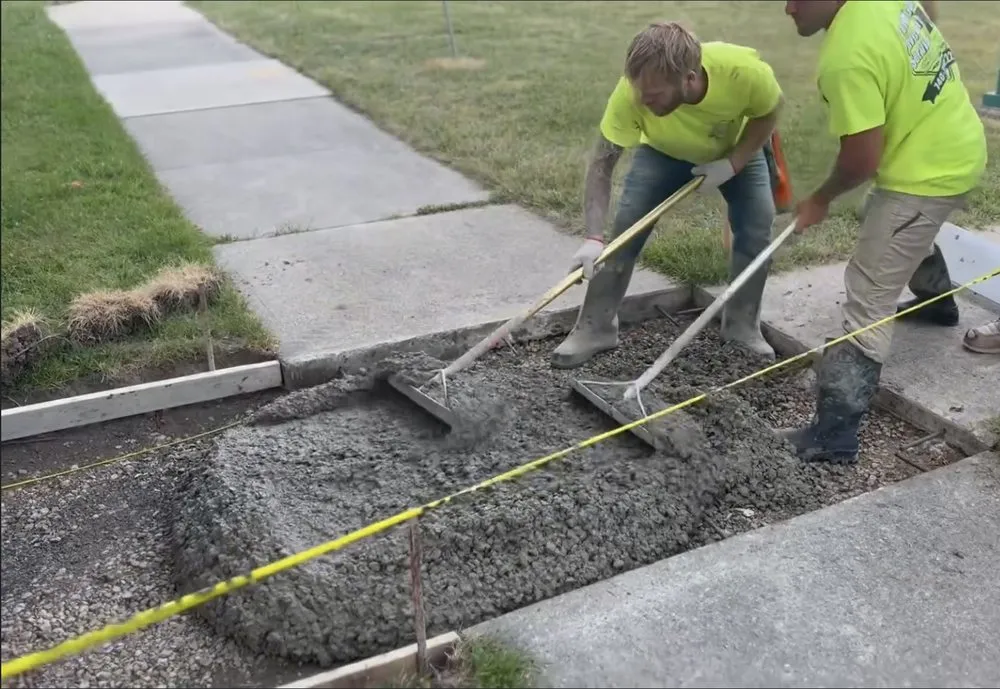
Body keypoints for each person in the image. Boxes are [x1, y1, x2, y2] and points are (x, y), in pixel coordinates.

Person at [781, 0, 988, 464]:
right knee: (897, 228)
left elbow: (861, 161)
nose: (788, 7)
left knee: (868, 293)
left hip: (929, 171)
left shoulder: (846, 56)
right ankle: (938, 306)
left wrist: (819, 199)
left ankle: (833, 437)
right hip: (956, 140)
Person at [551, 21, 784, 369]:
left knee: (757, 226)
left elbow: (770, 110)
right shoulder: (632, 93)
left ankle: (742, 328)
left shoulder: (743, 72)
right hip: (662, 153)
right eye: (640, 93)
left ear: (689, 79)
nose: (643, 102)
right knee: (626, 228)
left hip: (732, 152)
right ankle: (595, 327)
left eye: (654, 96)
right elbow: (602, 164)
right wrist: (593, 237)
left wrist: (734, 163)